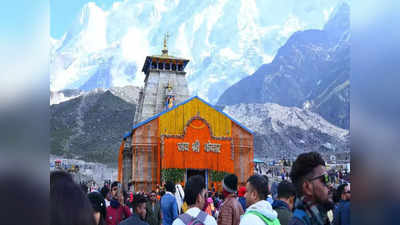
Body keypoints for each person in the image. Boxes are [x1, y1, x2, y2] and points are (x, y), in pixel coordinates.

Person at [288, 152, 332, 225]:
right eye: (324, 179)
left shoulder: (319, 217)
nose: (330, 185)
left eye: (329, 178)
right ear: (307, 187)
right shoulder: (299, 222)